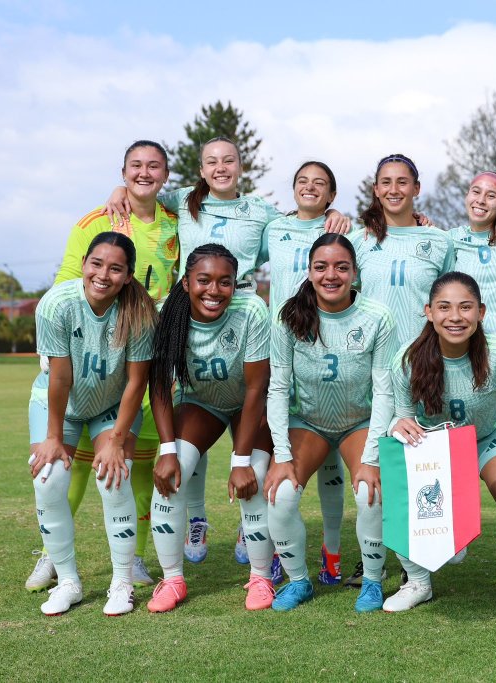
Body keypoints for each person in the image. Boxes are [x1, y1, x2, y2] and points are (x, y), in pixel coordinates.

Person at [105, 138, 349, 567]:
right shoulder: (182, 201)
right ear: (200, 169)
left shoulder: (261, 212)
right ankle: (196, 520)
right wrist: (120, 191)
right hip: (190, 320)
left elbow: (302, 225)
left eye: (229, 160)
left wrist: (332, 214)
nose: (221, 168)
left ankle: (249, 525)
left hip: (242, 321)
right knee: (188, 438)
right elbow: (144, 187)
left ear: (241, 166)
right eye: (211, 162)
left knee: (255, 423)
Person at [26, 140, 178, 593]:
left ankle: (134, 561)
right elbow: (70, 278)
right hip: (90, 351)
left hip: (147, 352)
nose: (144, 173)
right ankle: (52, 557)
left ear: (167, 176)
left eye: (154, 167)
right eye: (135, 167)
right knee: (67, 466)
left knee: (139, 465)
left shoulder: (176, 222)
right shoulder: (97, 221)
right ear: (123, 170)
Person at [385, 272, 496, 615]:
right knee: (400, 492)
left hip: (489, 436)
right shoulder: (408, 358)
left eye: (465, 307)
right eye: (444, 307)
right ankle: (417, 582)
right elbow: (403, 417)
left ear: (481, 312)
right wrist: (401, 424)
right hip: (436, 441)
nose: (455, 316)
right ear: (429, 311)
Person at [27, 232, 157, 616]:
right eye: (97, 264)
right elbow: (60, 379)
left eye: (116, 268)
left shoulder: (140, 314)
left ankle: (121, 583)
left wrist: (117, 440)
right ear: (83, 263)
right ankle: (68, 581)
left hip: (110, 405)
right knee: (47, 479)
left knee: (114, 477)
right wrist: (53, 437)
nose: (104, 274)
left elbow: (137, 382)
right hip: (61, 406)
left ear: (128, 276)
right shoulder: (56, 305)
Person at [264, 233, 394, 613]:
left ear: (355, 273)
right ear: (309, 271)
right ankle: (299, 581)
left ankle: (371, 581)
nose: (331, 275)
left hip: (359, 421)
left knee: (369, 492)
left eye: (341, 267)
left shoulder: (376, 317)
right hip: (311, 422)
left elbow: (384, 391)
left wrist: (371, 457)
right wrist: (282, 455)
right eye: (321, 267)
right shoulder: (289, 316)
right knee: (281, 494)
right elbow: (277, 387)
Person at [145, 244, 275, 612]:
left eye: (224, 282)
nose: (213, 291)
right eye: (203, 280)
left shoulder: (251, 310)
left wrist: (241, 459)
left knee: (255, 478)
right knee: (168, 480)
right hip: (202, 402)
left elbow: (255, 388)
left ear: (236, 285)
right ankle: (172, 580)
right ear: (186, 282)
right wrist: (168, 451)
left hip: (249, 403)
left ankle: (261, 576)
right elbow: (159, 384)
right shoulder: (167, 314)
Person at [262, 161, 353, 587]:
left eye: (320, 183)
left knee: (333, 462)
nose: (310, 187)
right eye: (302, 181)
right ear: (292, 188)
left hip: (328, 354)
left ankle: (331, 551)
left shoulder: (343, 231)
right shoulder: (271, 226)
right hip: (283, 349)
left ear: (332, 195)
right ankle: (280, 551)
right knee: (280, 460)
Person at [351, 154, 456, 357]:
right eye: (386, 182)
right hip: (369, 358)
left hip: (424, 358)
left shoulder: (440, 241)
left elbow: (448, 301)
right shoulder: (358, 241)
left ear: (416, 188)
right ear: (376, 189)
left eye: (402, 182)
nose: (394, 190)